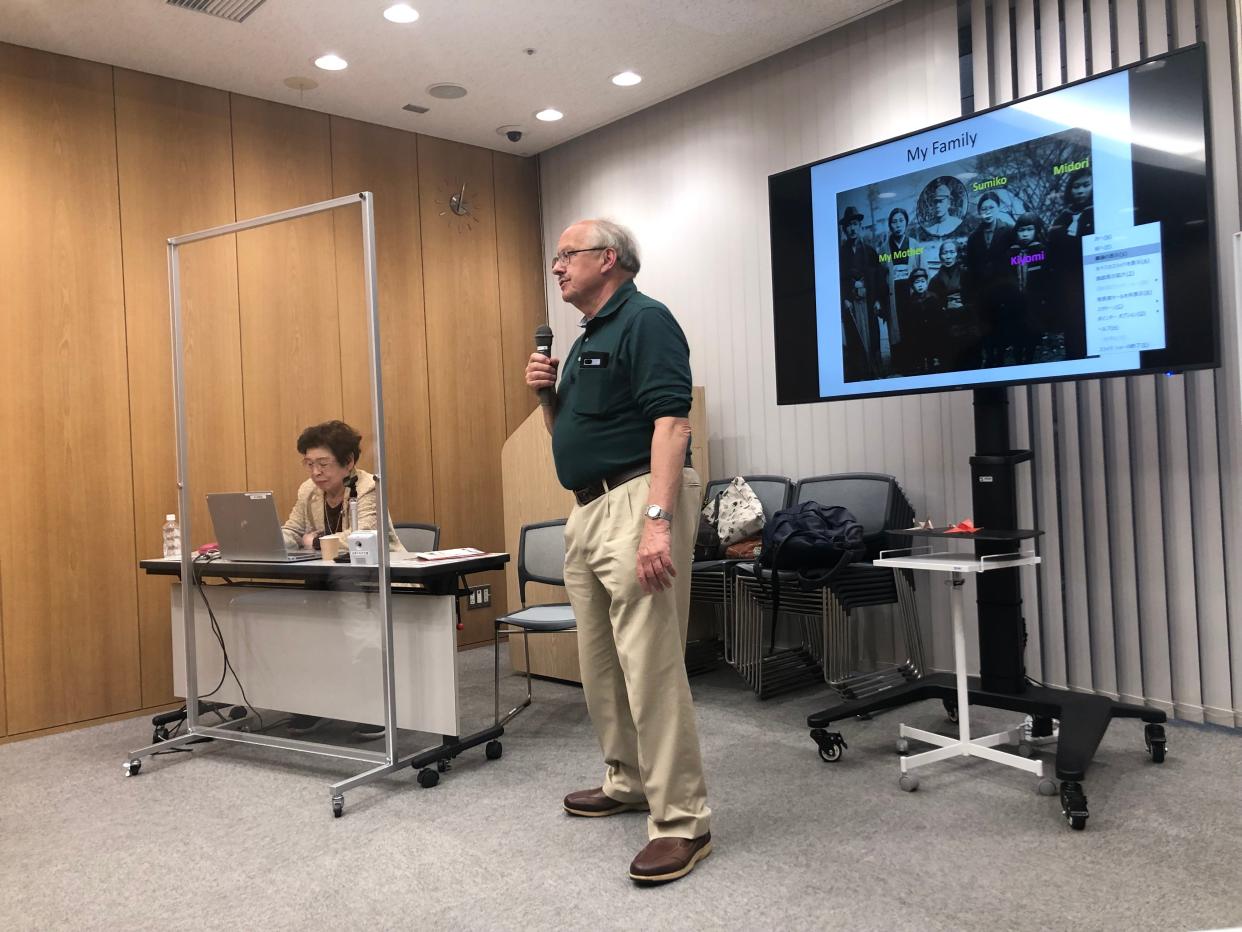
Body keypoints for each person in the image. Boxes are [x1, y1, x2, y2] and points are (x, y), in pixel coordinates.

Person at [524, 218, 711, 885]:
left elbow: (672, 423)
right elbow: (566, 433)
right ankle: (627, 779)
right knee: (600, 663)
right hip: (587, 507)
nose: (556, 266)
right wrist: (547, 394)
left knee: (651, 665)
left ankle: (683, 819)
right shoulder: (585, 340)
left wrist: (657, 523)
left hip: (638, 500)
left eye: (566, 255)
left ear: (610, 259)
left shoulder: (646, 319)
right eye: (556, 257)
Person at [282, 419, 405, 740]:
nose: (315, 472)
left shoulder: (368, 488)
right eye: (309, 464)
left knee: (348, 612)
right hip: (328, 576)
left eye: (323, 464)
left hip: (373, 577)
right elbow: (292, 530)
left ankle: (374, 706)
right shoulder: (308, 491)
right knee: (306, 625)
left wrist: (315, 541)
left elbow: (361, 537)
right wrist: (270, 539)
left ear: (348, 462)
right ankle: (317, 703)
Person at [1047, 167, 1094, 359]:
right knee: (1074, 340)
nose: (1080, 191)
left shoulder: (1102, 212)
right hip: (1068, 289)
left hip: (1094, 286)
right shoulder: (1062, 218)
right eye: (1076, 186)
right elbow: (1052, 252)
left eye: (1085, 185)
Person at [964, 191, 1015, 367]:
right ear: (979, 211)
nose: (988, 211)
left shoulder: (1008, 230)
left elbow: (1015, 260)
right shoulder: (973, 237)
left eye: (991, 207)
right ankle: (990, 356)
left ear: (998, 208)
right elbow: (970, 266)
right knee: (985, 327)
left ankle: (999, 358)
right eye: (984, 208)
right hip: (982, 291)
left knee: (1002, 326)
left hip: (1002, 289)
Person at [838, 205, 887, 379]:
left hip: (868, 301)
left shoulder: (870, 251)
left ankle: (875, 370)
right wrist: (844, 298)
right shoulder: (840, 254)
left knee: (872, 335)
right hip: (851, 302)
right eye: (848, 225)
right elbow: (839, 279)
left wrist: (878, 300)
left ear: (860, 226)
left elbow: (879, 277)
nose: (852, 228)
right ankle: (860, 373)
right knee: (855, 337)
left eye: (855, 224)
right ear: (844, 229)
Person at [878, 207, 925, 373]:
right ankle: (899, 363)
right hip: (893, 294)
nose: (898, 224)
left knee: (912, 326)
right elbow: (880, 276)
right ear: (890, 225)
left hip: (910, 292)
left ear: (906, 223)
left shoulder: (915, 245)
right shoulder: (884, 249)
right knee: (896, 329)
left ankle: (916, 362)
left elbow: (923, 270)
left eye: (901, 221)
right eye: (894, 221)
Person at [928, 238, 977, 370]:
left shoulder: (966, 274)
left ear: (957, 254)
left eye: (951, 252)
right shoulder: (935, 280)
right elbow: (934, 306)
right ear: (940, 256)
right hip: (948, 323)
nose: (948, 256)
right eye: (944, 253)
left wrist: (965, 309)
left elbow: (974, 299)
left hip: (966, 320)